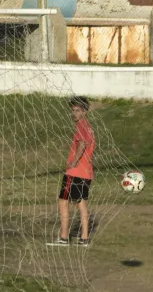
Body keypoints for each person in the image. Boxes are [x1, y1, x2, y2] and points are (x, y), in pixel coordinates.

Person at [53, 96, 95, 246]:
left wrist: (73, 162)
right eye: (73, 110)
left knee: (63, 202)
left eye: (77, 110)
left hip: (75, 173)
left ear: (84, 112)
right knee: (81, 204)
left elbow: (82, 144)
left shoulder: (81, 126)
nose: (74, 114)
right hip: (86, 173)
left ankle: (64, 237)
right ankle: (84, 238)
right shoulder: (89, 127)